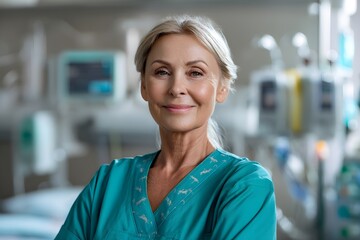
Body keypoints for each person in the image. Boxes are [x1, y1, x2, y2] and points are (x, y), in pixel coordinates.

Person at [55, 15, 277, 240]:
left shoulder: (245, 187)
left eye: (195, 73)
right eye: (162, 72)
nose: (176, 88)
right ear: (144, 86)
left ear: (222, 88)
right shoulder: (107, 184)